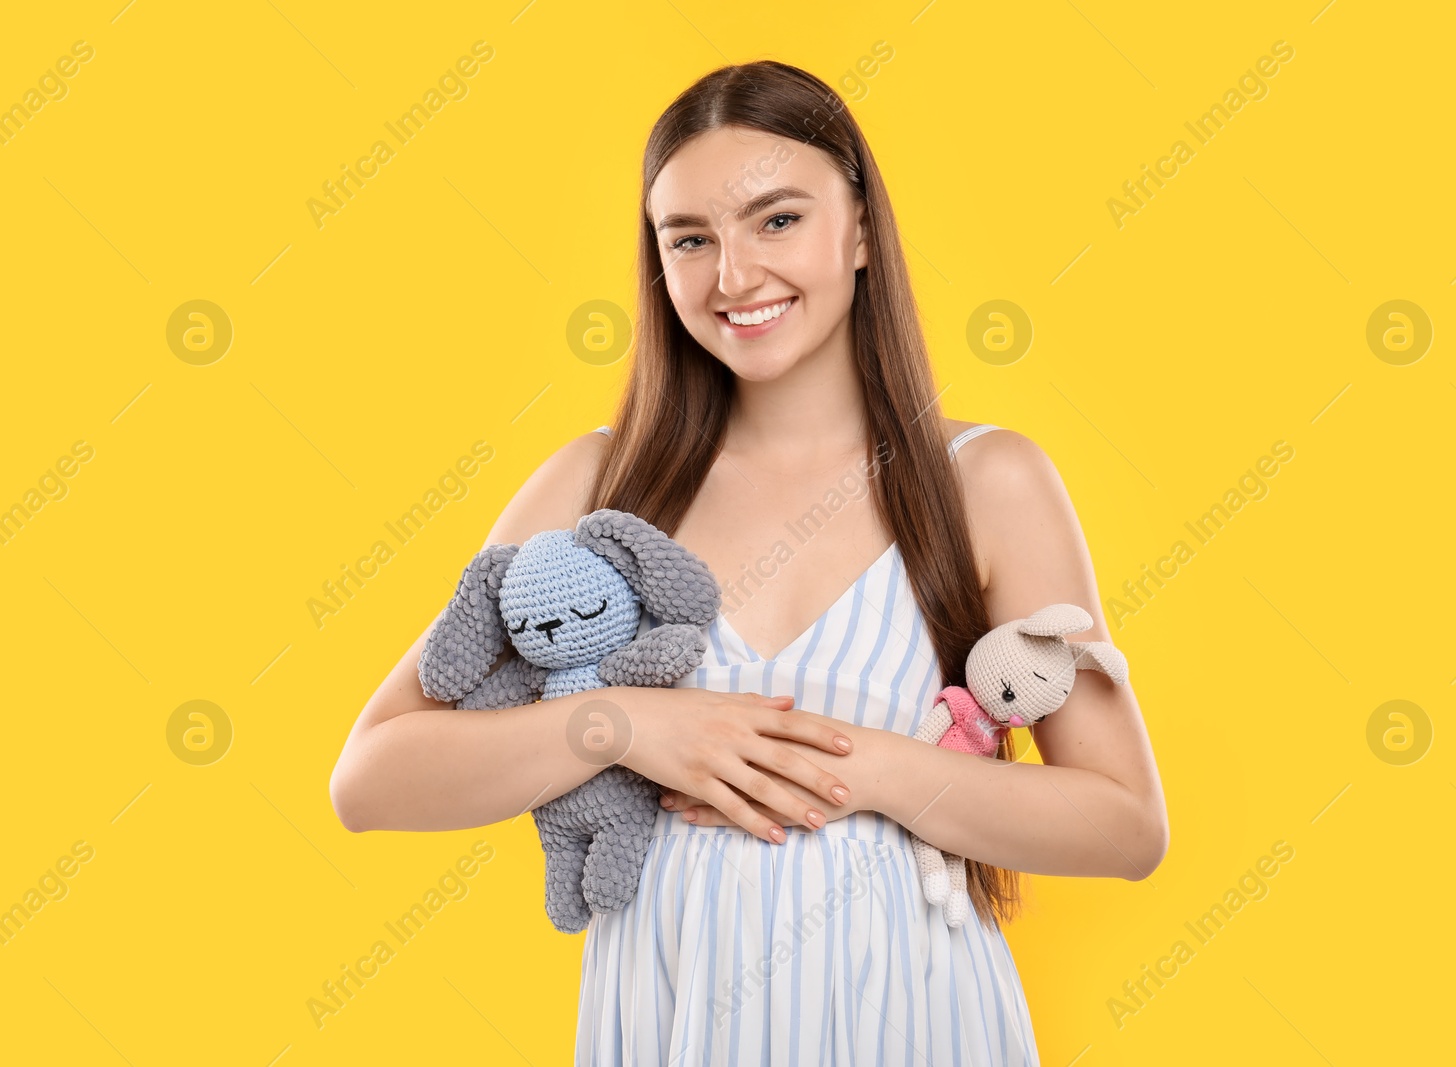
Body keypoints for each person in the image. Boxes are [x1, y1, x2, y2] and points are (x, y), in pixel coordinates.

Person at [329, 59, 1168, 1065]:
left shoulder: (987, 482)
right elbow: (371, 777)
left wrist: (857, 767)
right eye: (690, 239)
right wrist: (626, 725)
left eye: (777, 220)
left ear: (859, 229)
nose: (733, 275)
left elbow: (1124, 824)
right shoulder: (598, 486)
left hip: (920, 1027)